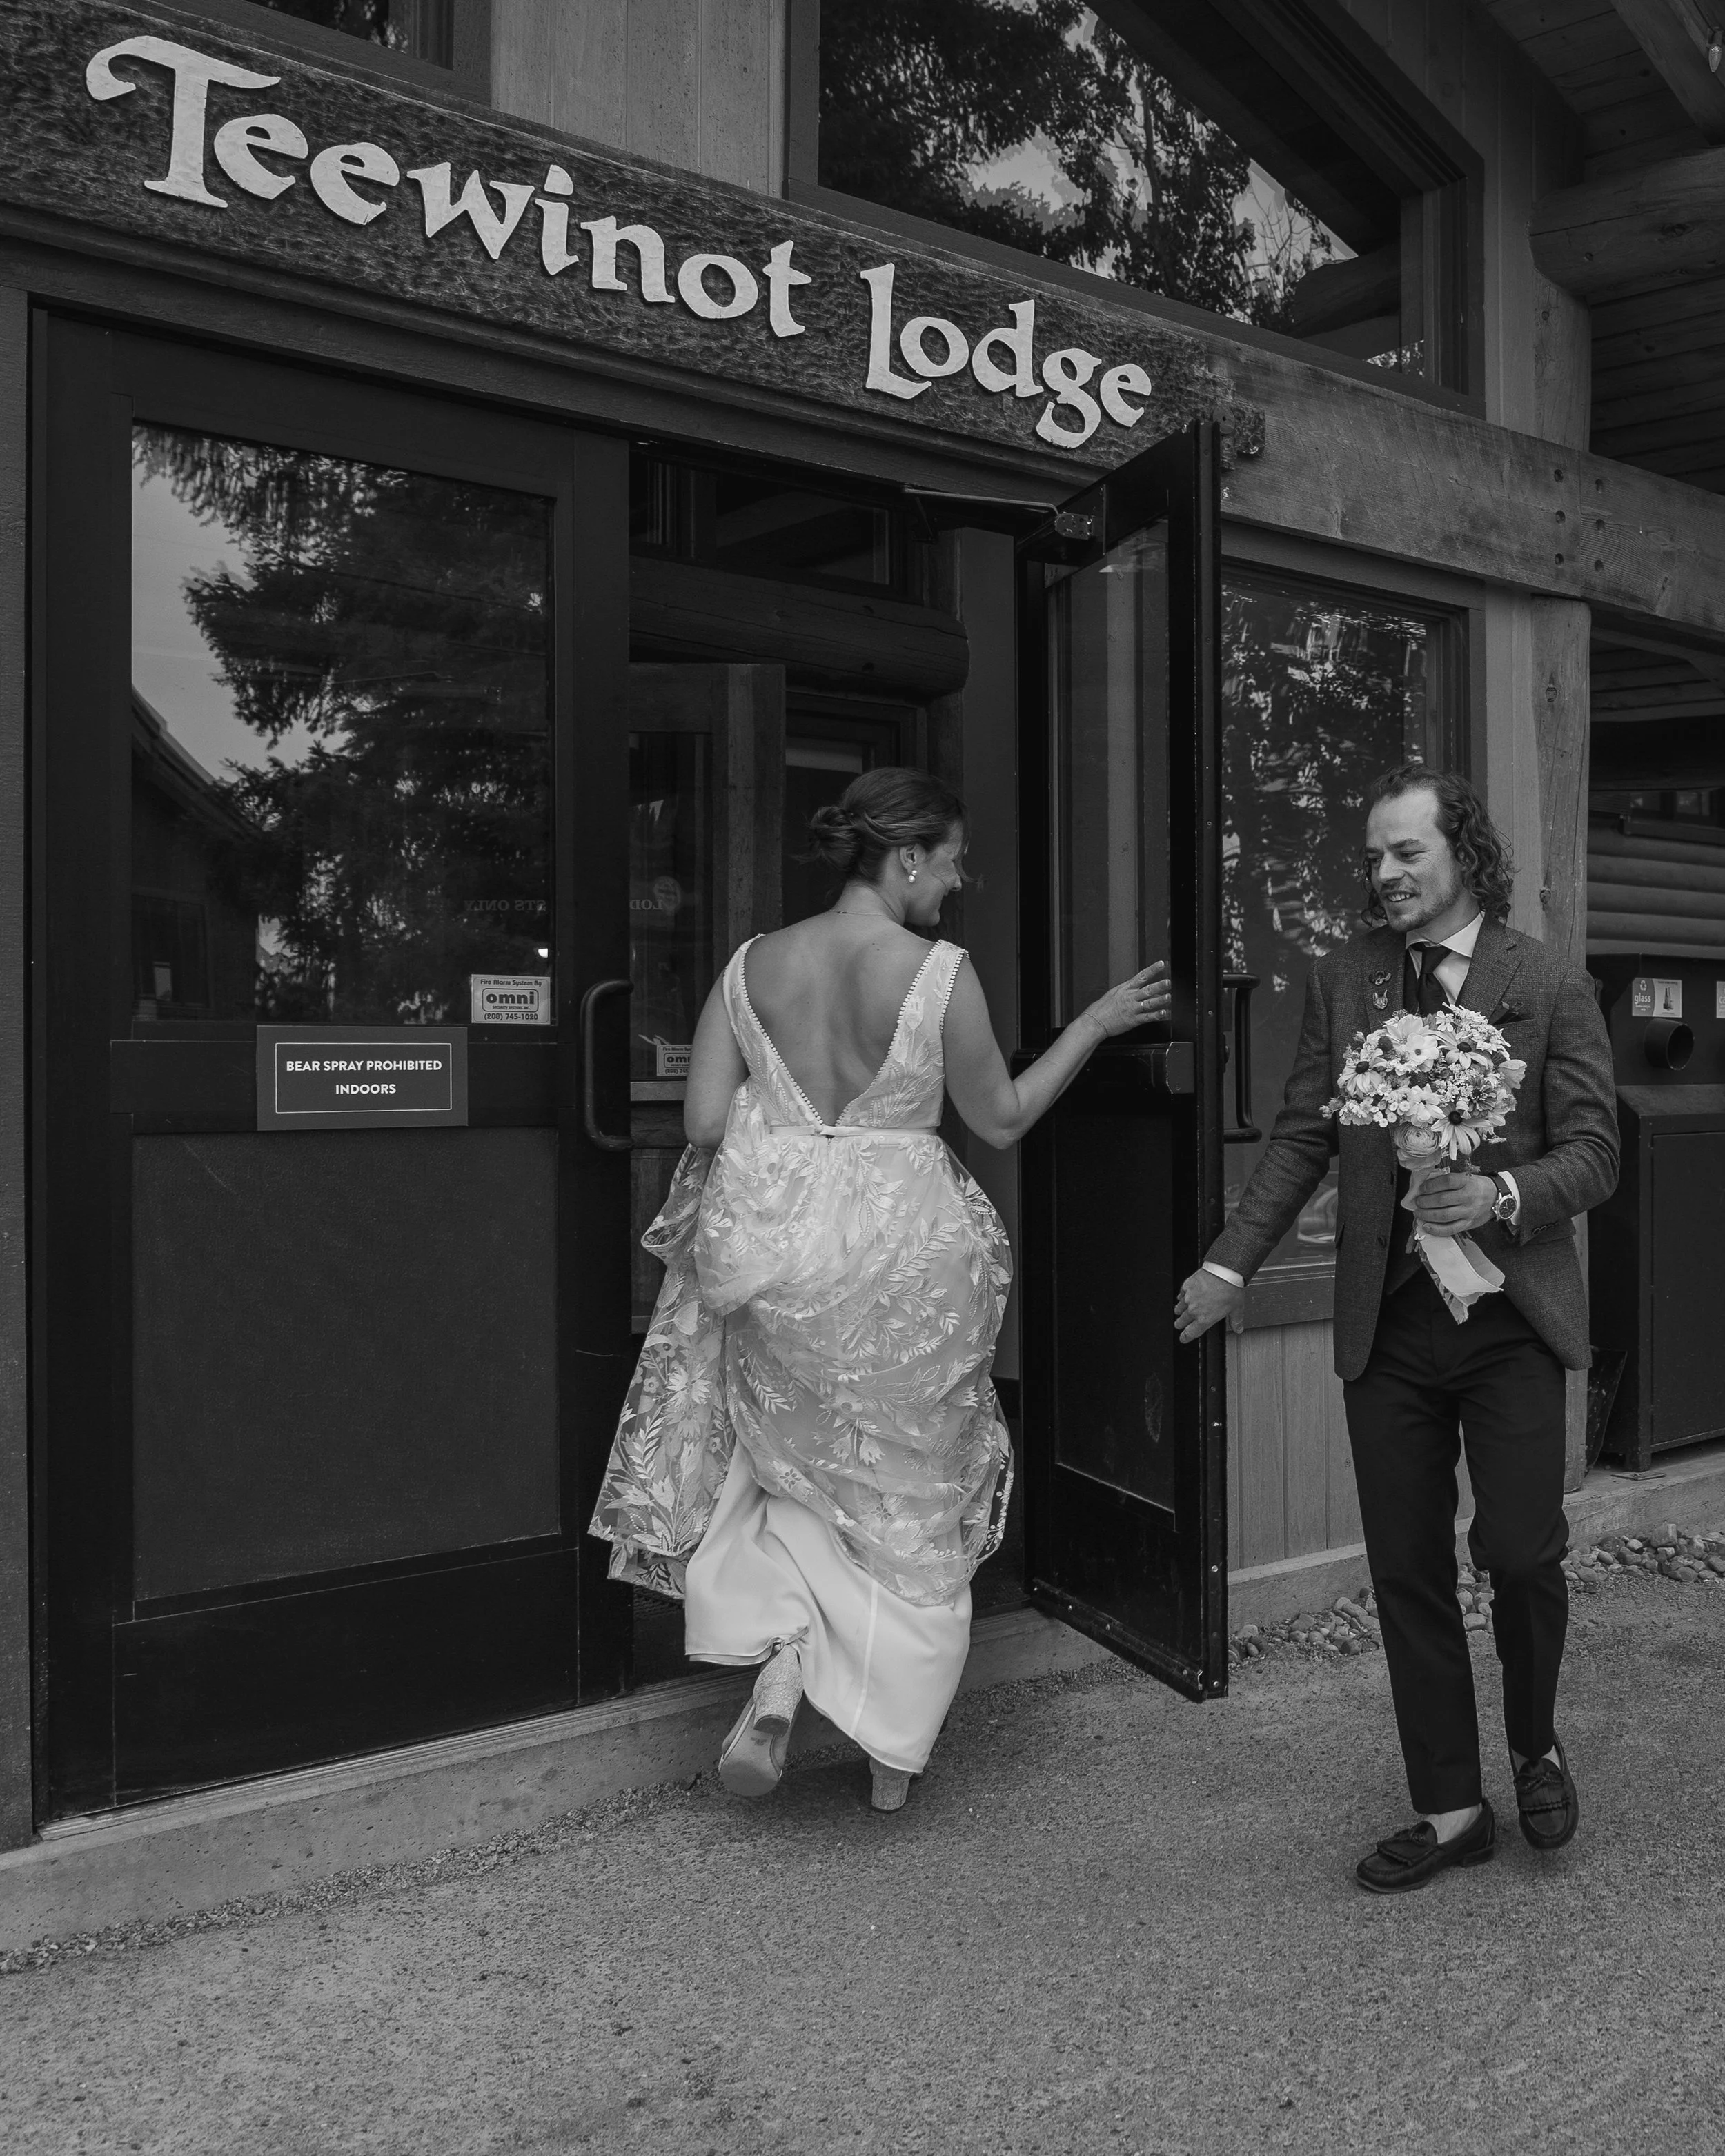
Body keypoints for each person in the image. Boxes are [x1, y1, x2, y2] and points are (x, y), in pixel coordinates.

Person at [591, 767, 1169, 1811]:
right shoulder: (937, 972)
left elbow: (708, 1126)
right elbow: (997, 1118)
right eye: (950, 861)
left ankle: (785, 1658)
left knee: (792, 1469)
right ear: (908, 857)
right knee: (907, 1489)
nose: (955, 882)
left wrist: (799, 1148)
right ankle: (892, 1759)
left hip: (781, 1250)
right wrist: (1091, 1026)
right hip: (904, 1251)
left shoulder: (751, 963)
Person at [1174, 766, 1617, 1894]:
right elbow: (1298, 1141)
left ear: (1463, 852)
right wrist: (1231, 1263)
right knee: (1406, 1570)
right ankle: (1452, 1805)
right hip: (1391, 1325)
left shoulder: (1548, 980)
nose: (1383, 877)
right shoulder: (1348, 979)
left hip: (1512, 1319)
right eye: (1372, 859)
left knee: (1520, 1553)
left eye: (1403, 854)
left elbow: (1595, 1152)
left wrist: (1504, 1197)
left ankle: (1534, 1746)